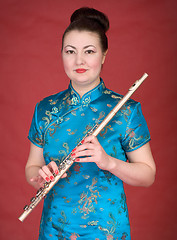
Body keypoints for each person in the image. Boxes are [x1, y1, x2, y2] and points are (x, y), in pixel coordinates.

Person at [25, 7, 156, 240]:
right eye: (70, 51)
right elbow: (31, 168)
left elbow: (148, 175)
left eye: (89, 51)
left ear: (104, 55)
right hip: (54, 229)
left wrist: (108, 162)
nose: (79, 60)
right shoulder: (45, 109)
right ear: (61, 54)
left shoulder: (126, 109)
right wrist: (40, 175)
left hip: (107, 230)